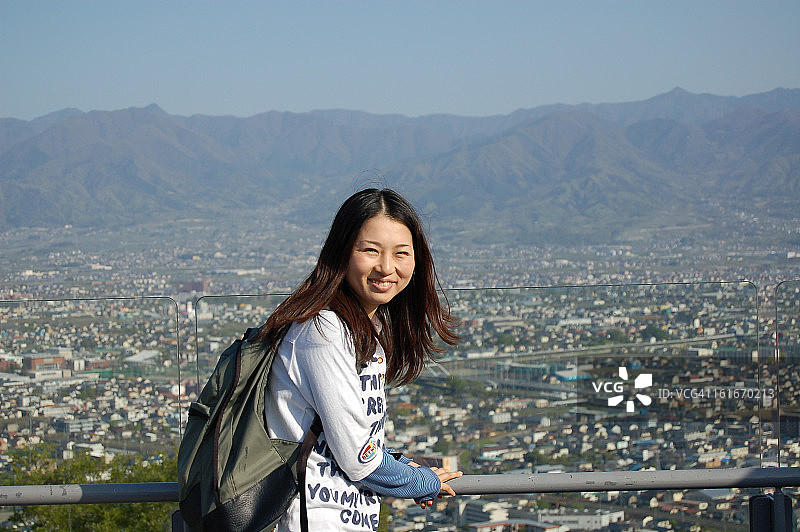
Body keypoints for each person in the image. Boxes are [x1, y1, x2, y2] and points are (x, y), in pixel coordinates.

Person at [258, 188, 462, 531]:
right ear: (341, 252)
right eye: (370, 251)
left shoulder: (369, 327)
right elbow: (359, 460)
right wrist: (418, 481)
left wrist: (404, 470)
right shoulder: (323, 329)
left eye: (401, 253)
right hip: (311, 518)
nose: (386, 267)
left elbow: (353, 436)